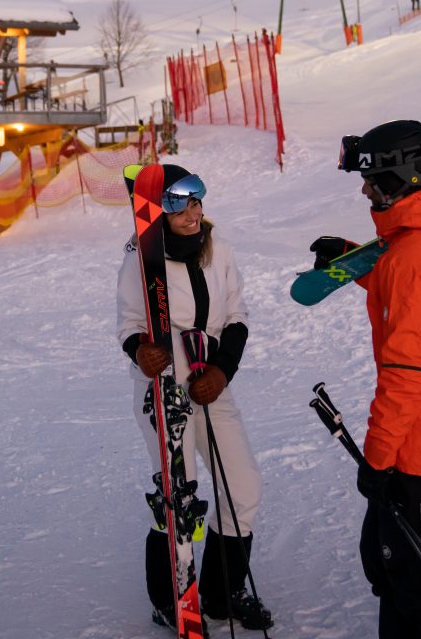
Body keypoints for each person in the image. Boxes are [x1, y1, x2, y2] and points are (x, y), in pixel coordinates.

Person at [311, 122, 421, 638]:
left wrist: (378, 459)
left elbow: (405, 376)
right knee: (389, 563)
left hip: (419, 451)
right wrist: (357, 260)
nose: (364, 191)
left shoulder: (412, 260)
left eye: (371, 180)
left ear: (401, 178)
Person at [117, 165, 272, 631]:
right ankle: (170, 599)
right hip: (164, 385)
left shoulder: (216, 246)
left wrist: (223, 371)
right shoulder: (141, 258)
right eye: (179, 206)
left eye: (197, 202)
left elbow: (237, 316)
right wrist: (140, 350)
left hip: (210, 377)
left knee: (242, 487)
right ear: (158, 213)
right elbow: (129, 324)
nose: (193, 214)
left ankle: (223, 594)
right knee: (178, 496)